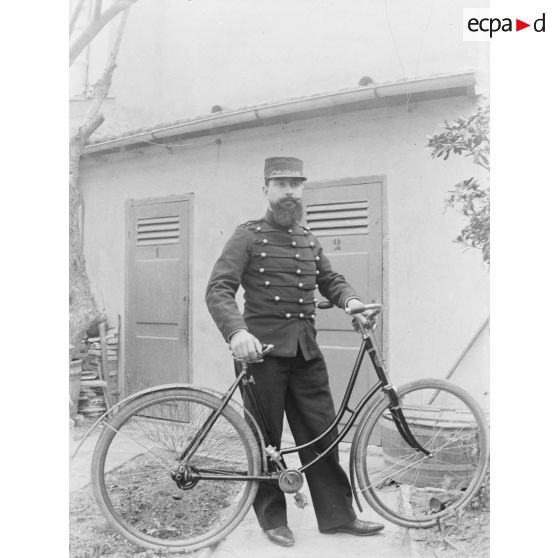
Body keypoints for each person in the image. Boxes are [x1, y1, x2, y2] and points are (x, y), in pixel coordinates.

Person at [205, 157, 384, 547]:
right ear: (266, 189)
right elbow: (219, 288)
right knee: (264, 438)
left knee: (323, 431)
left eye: (295, 184)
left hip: (305, 350)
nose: (289, 191)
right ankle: (272, 520)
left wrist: (350, 299)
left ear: (302, 189)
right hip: (260, 352)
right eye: (281, 183)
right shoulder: (247, 236)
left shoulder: (307, 238)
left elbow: (330, 280)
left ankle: (338, 516)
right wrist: (236, 332)